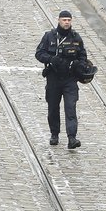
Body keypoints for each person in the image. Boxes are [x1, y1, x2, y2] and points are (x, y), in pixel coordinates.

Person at [35, 11, 92, 150]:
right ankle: (54, 134)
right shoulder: (49, 36)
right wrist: (51, 59)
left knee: (70, 108)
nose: (66, 22)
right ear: (59, 20)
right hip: (53, 78)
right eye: (64, 20)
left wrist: (79, 65)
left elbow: (83, 56)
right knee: (53, 108)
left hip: (70, 79)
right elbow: (39, 53)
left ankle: (72, 138)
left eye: (68, 20)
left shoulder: (76, 38)